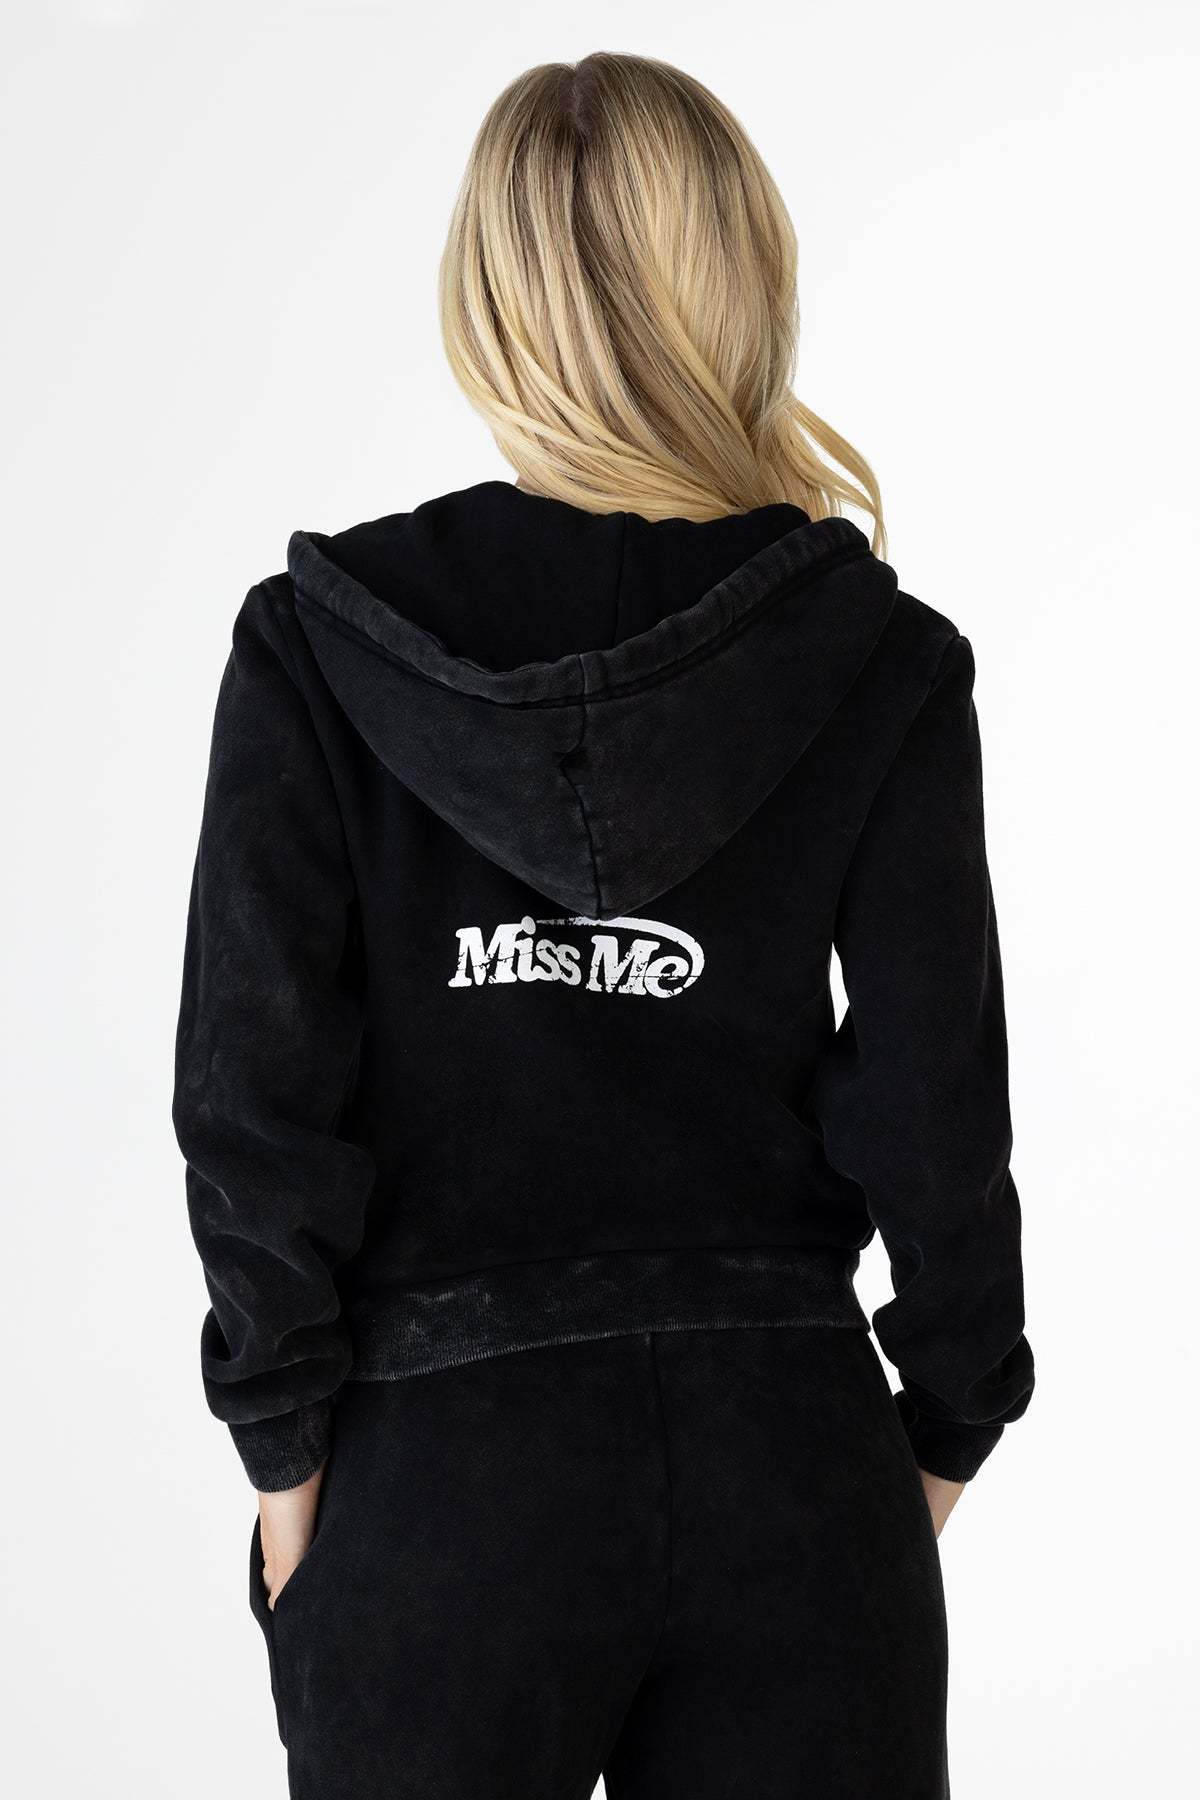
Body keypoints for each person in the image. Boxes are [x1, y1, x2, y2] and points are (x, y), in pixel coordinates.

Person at [173, 51, 1033, 1800]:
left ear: (490, 303)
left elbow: (256, 1102)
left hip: (437, 1475)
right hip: (788, 1450)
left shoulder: (322, 648)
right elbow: (934, 1103)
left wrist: (287, 1469)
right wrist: (934, 1433)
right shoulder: (871, 657)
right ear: (746, 281)